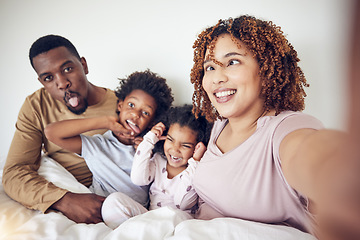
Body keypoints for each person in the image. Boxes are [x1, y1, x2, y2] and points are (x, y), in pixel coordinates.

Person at [189, 15, 360, 239]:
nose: (216, 78)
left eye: (232, 62)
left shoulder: (286, 128)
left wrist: (339, 175)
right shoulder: (219, 125)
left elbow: (314, 155)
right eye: (209, 67)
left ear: (265, 68)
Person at [2, 34, 121, 224]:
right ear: (42, 82)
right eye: (49, 78)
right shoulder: (36, 105)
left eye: (67, 69)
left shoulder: (125, 105)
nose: (62, 83)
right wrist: (65, 200)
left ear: (84, 65)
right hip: (65, 192)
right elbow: (14, 172)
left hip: (114, 198)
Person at [45, 70, 174, 210]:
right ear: (120, 106)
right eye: (131, 105)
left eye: (145, 113)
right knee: (112, 201)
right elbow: (51, 133)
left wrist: (145, 150)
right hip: (101, 210)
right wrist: (105, 122)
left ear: (151, 122)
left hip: (136, 212)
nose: (135, 114)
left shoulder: (150, 150)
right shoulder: (97, 145)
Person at [100, 105, 212, 229]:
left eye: (185, 145)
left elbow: (183, 203)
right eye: (170, 139)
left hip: (178, 225)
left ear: (197, 148)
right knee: (113, 201)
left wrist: (196, 160)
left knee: (176, 215)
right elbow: (138, 179)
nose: (174, 149)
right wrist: (149, 140)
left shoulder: (195, 171)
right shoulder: (159, 160)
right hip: (151, 220)